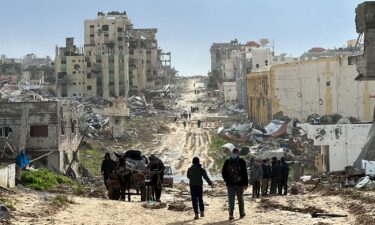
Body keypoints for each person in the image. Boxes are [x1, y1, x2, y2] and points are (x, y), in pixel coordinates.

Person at [222, 148, 248, 221]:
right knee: (240, 199)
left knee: (231, 200)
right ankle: (241, 213)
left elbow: (223, 172)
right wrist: (245, 184)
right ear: (238, 153)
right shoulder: (242, 161)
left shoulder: (227, 160)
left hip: (230, 184)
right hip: (239, 184)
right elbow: (244, 173)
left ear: (232, 152)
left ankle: (231, 215)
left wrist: (227, 181)